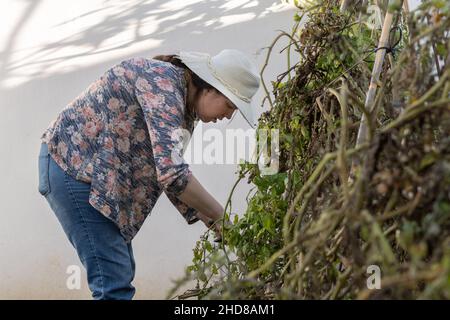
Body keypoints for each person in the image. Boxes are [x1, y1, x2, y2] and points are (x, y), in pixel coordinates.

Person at [37, 49, 260, 299]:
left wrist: (212, 220)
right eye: (230, 105)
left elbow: (166, 173)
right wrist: (221, 216)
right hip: (73, 171)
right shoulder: (163, 86)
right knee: (113, 283)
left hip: (93, 178)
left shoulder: (182, 105)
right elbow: (172, 174)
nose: (228, 116)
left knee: (120, 272)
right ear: (210, 88)